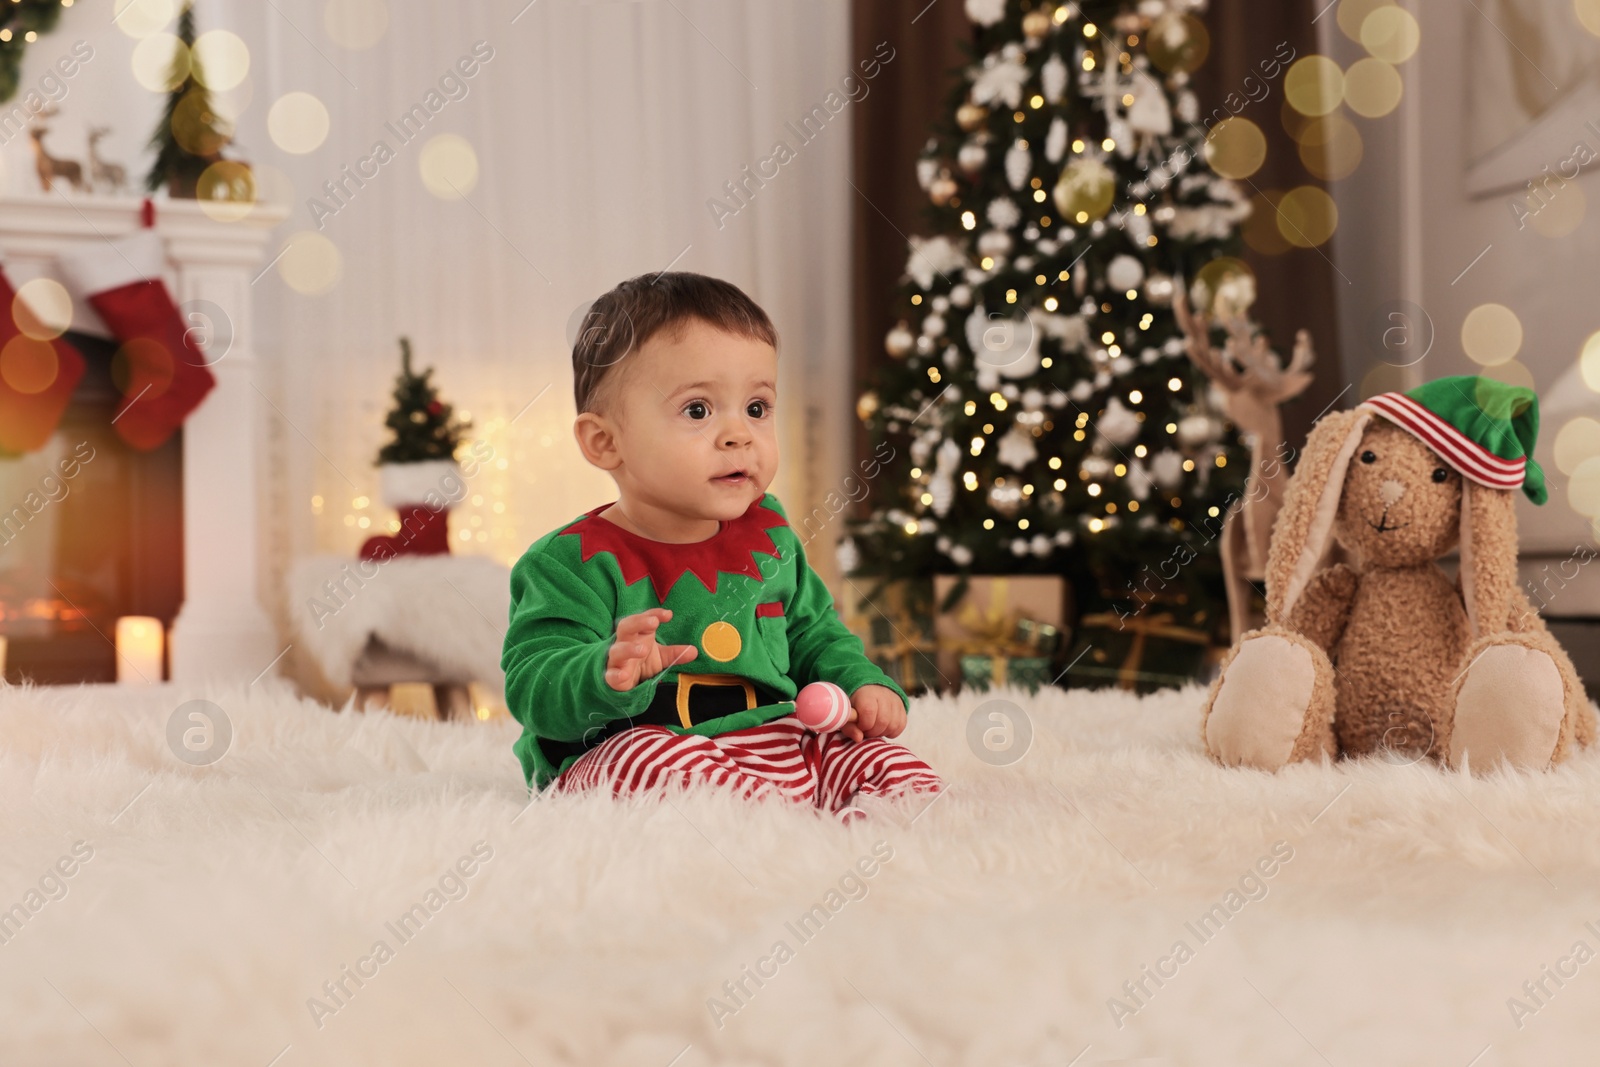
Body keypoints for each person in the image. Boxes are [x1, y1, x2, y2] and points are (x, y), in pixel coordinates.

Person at [501, 272, 942, 819]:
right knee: (650, 763)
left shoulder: (770, 534)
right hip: (638, 744)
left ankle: (831, 817)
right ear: (606, 442)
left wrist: (859, 683)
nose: (740, 435)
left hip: (772, 736)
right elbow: (531, 684)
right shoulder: (569, 563)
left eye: (757, 408)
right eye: (698, 410)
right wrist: (603, 670)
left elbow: (813, 631)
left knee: (884, 763)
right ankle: (767, 819)